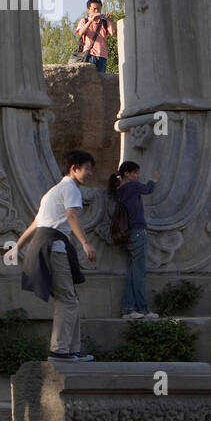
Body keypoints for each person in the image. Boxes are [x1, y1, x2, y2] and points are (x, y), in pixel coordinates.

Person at [13, 149, 98, 362]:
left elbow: (35, 223)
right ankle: (60, 351)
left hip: (43, 245)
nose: (90, 173)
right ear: (74, 169)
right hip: (54, 246)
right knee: (68, 299)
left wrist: (17, 247)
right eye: (87, 169)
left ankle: (72, 349)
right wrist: (86, 243)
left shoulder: (52, 192)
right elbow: (71, 216)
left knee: (70, 299)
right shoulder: (70, 188)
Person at [109, 161, 160, 319]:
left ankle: (128, 309)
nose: (138, 176)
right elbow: (148, 189)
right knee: (139, 274)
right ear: (127, 174)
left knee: (132, 273)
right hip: (138, 233)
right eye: (136, 173)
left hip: (126, 235)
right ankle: (143, 310)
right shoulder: (132, 186)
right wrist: (154, 180)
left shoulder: (118, 190)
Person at [73, 0, 114, 73]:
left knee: (99, 81)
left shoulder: (105, 22)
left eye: (99, 9)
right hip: (89, 55)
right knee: (88, 80)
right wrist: (91, 20)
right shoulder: (84, 21)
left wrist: (112, 22)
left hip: (102, 56)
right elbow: (81, 32)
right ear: (88, 10)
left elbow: (114, 34)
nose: (97, 11)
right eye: (94, 9)